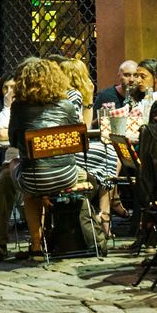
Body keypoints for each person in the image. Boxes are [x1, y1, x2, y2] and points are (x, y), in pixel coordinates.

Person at [0, 57, 85, 260]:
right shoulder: (68, 105)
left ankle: (31, 244)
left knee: (12, 179)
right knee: (28, 180)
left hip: (34, 177)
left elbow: (14, 142)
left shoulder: (19, 108)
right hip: (67, 174)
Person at [59, 58, 120, 236]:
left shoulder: (66, 95)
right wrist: (88, 102)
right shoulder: (74, 96)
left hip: (66, 150)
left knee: (109, 155)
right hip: (70, 152)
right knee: (111, 153)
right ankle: (105, 211)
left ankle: (106, 209)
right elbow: (82, 128)